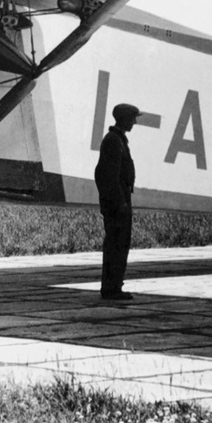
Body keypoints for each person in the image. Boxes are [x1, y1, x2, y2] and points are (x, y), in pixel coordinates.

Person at [95, 102, 139, 301]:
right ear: (124, 119)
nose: (134, 122)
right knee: (116, 245)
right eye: (133, 118)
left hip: (120, 199)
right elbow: (106, 175)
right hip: (117, 203)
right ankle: (112, 288)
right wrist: (119, 202)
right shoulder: (113, 140)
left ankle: (114, 286)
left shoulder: (117, 139)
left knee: (119, 244)